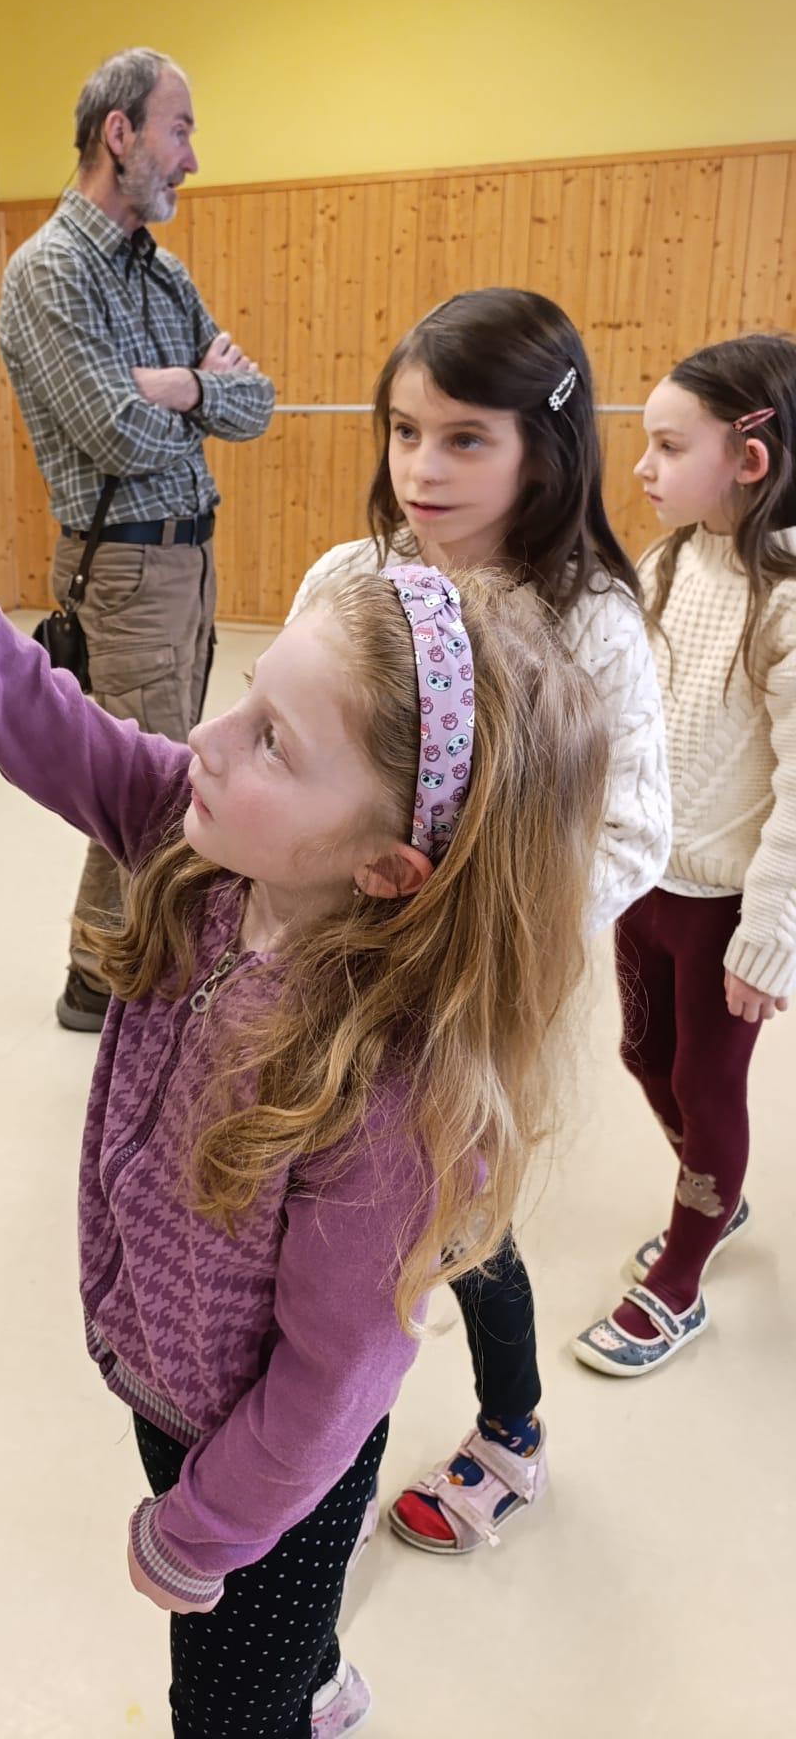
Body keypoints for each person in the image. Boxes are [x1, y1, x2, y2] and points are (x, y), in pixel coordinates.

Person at [0, 414, 610, 1739]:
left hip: (267, 1463)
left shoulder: (391, 1096)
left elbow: (329, 1385)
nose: (208, 736)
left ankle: (293, 1689)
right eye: (248, 693)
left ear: (389, 868)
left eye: (273, 741)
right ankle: (308, 1669)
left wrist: (199, 1530)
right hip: (176, 1388)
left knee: (227, 1706)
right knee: (272, 1643)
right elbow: (15, 698)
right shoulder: (194, 841)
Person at [287, 289, 670, 1555]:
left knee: (460, 1218)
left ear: (543, 452)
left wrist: (468, 924)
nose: (423, 468)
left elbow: (632, 834)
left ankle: (513, 1430)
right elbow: (285, 748)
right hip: (330, 967)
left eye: (465, 439)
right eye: (405, 432)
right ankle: (318, 1455)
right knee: (325, 1218)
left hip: (476, 992)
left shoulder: (591, 619)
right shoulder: (352, 577)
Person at [0, 46, 275, 1033]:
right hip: (124, 564)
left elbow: (258, 403)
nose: (192, 158)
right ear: (119, 134)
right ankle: (111, 979)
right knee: (151, 788)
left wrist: (182, 386)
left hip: (187, 556)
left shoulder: (161, 273)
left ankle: (109, 963)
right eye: (180, 129)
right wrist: (197, 395)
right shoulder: (50, 273)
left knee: (161, 777)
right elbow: (113, 431)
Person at [573, 334, 796, 1376]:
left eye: (668, 447)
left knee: (708, 1087)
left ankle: (682, 1276)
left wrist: (770, 933)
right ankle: (714, 1190)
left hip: (723, 907)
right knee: (642, 1054)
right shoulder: (667, 562)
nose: (642, 467)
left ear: (748, 460)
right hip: (644, 879)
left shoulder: (786, 596)